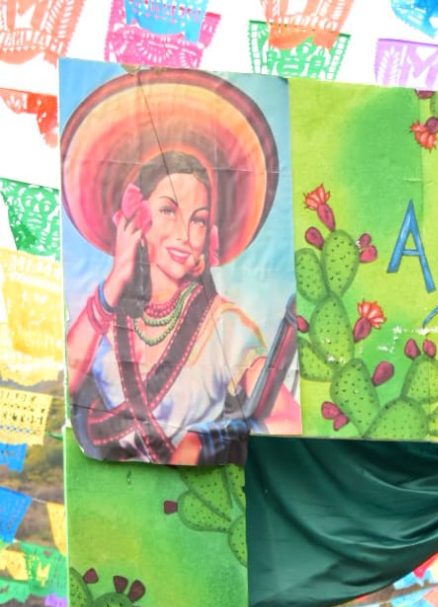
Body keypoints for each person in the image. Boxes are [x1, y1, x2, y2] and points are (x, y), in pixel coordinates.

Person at [62, 70, 300, 465]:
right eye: (168, 211)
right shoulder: (105, 314)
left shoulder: (223, 324)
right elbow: (65, 383)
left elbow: (286, 423)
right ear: (137, 211)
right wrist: (117, 276)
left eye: (199, 219)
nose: (185, 234)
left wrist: (209, 446)